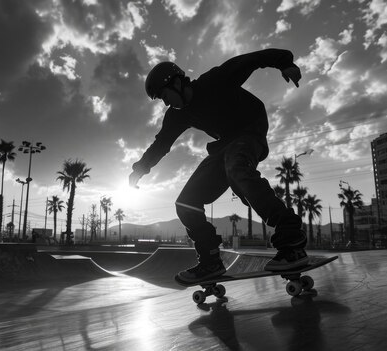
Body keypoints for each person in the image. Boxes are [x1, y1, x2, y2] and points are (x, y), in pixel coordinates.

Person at [129, 48, 308, 284]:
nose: (166, 103)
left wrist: (286, 63)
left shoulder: (214, 80)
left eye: (164, 96)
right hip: (225, 145)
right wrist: (140, 168)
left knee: (237, 168)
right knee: (186, 202)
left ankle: (291, 238)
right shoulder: (177, 115)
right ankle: (210, 260)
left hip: (250, 129)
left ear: (176, 83)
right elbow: (161, 144)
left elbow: (252, 59)